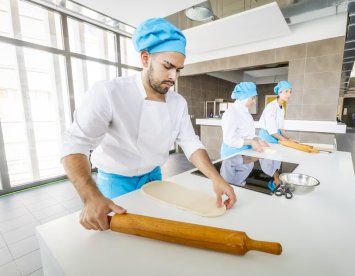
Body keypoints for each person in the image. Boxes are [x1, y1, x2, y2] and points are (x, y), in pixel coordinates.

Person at [61, 18, 236, 231]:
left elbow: (190, 142)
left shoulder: (178, 102)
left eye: (179, 70)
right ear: (145, 59)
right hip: (116, 182)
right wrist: (91, 197)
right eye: (168, 66)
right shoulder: (109, 92)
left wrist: (215, 178)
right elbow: (75, 145)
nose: (174, 77)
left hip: (155, 177)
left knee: (157, 230)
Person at [220, 82, 268, 158]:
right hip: (232, 155)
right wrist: (251, 142)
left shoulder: (246, 113)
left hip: (245, 153)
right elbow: (229, 139)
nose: (254, 102)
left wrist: (258, 139)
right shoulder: (231, 113)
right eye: (253, 98)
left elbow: (247, 134)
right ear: (244, 97)